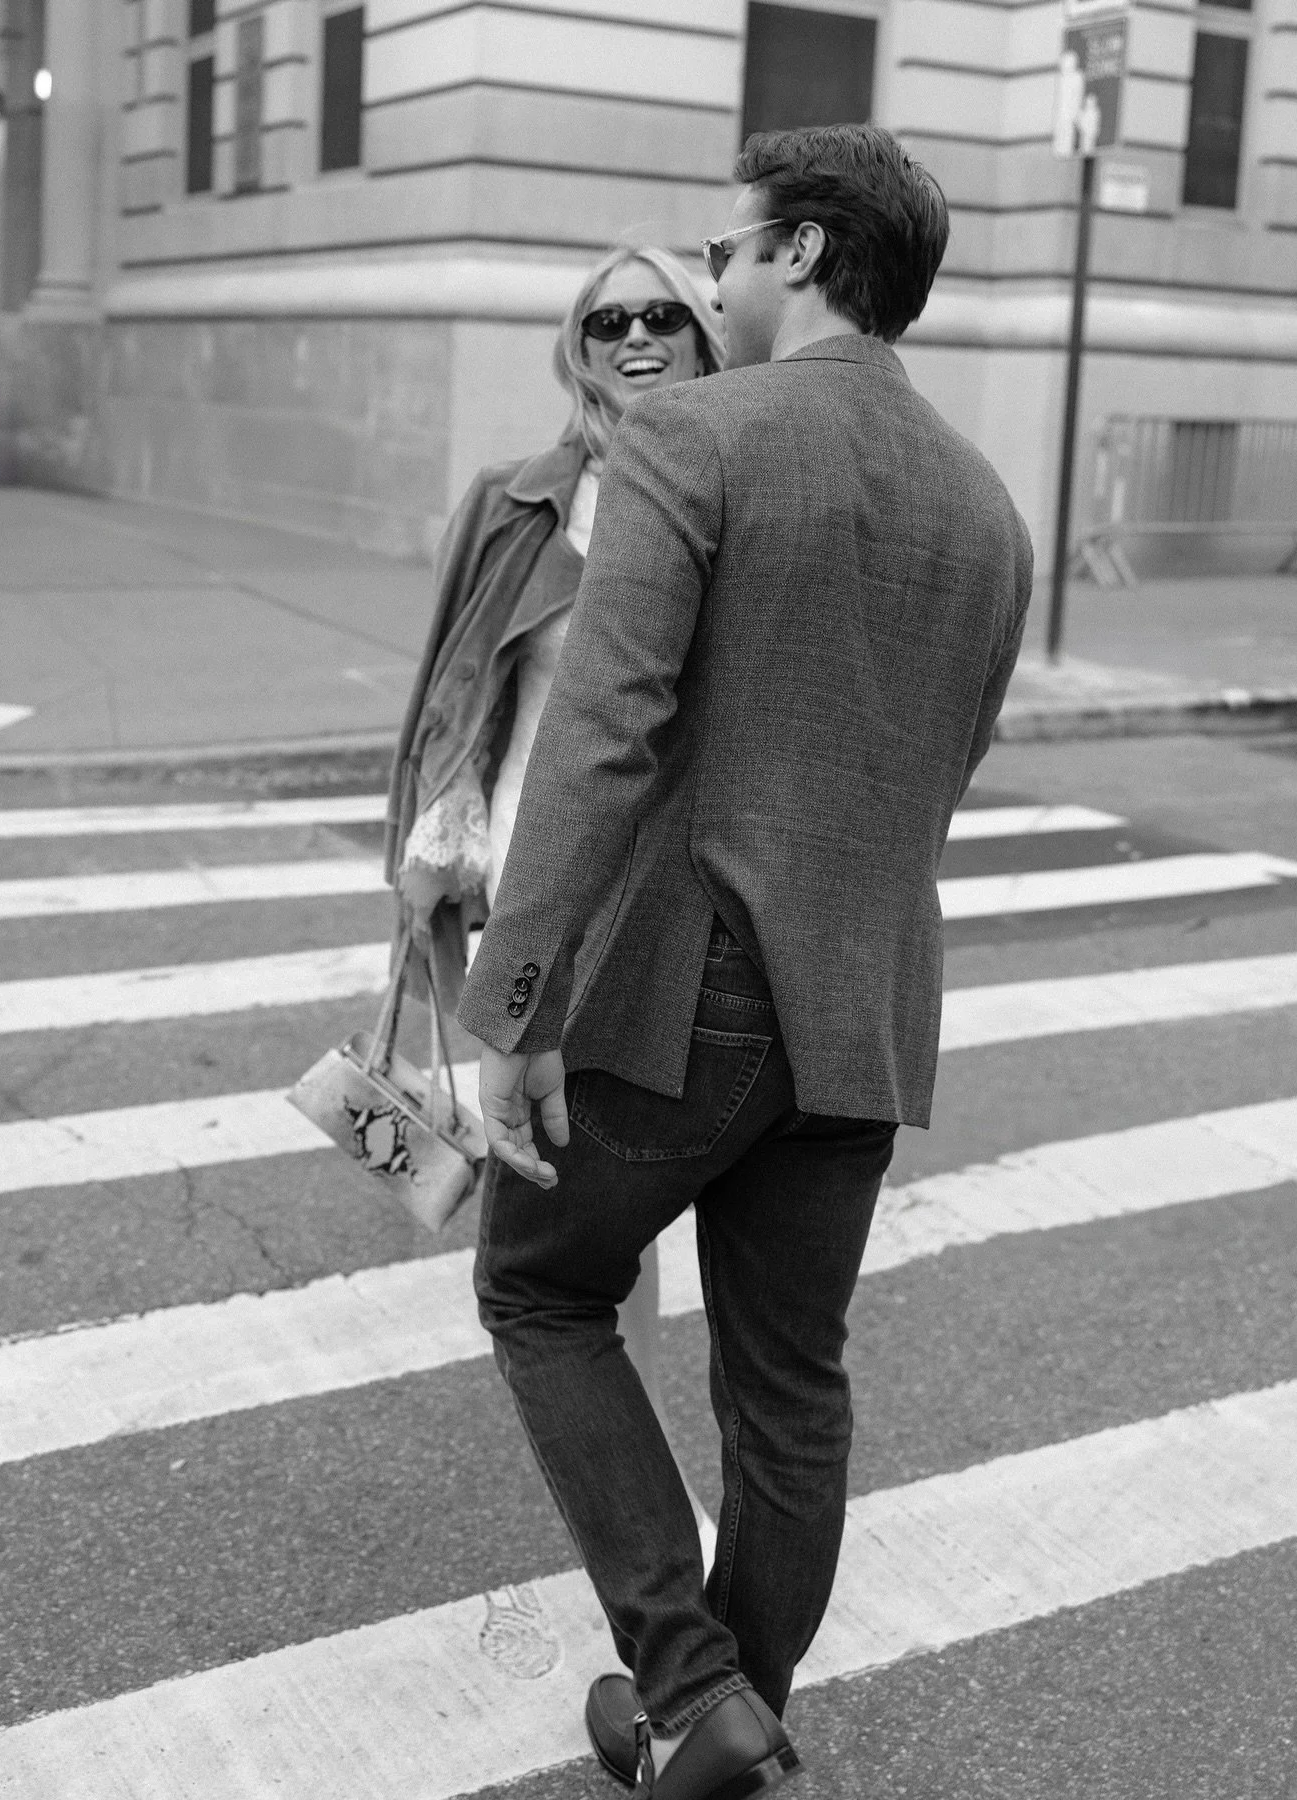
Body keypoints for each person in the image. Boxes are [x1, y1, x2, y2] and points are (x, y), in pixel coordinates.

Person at [455, 125, 1033, 1799]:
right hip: (867, 1003)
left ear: (802, 252)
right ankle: (730, 1727)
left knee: (539, 1285)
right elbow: (945, 767)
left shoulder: (694, 434)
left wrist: (516, 1002)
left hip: (691, 988)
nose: (712, 285)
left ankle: (692, 1685)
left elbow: (603, 735)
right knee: (789, 1388)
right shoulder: (989, 509)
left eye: (725, 253)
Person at [383, 244, 726, 1558]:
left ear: (706, 336)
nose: (636, 336)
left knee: (605, 1220)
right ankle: (646, 1501)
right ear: (576, 346)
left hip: (670, 904)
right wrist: (430, 838)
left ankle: (646, 1503)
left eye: (664, 315)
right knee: (576, 1230)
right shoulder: (517, 501)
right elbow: (456, 683)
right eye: (607, 319)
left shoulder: (736, 490)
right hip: (534, 900)